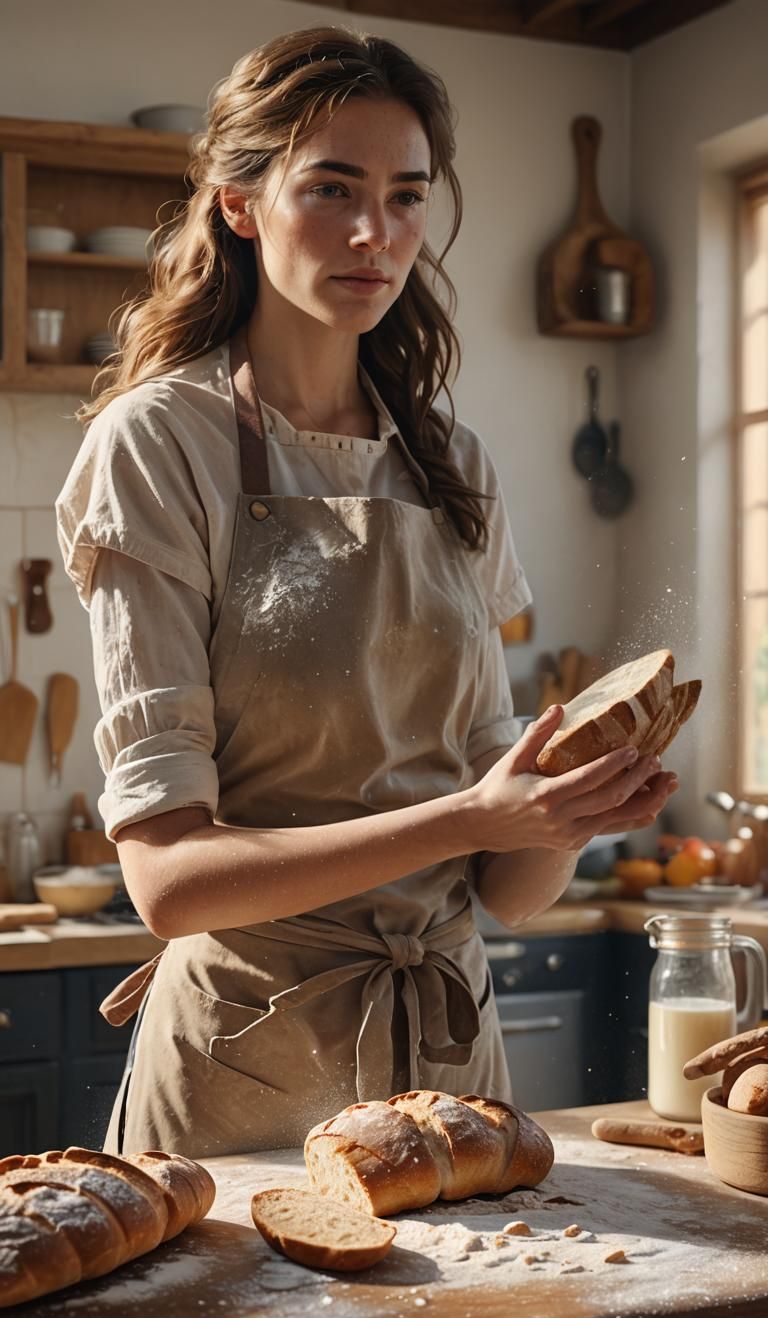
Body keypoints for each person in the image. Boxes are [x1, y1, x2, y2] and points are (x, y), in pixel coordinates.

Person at [55, 26, 677, 1159]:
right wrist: (473, 814)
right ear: (240, 203)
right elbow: (170, 883)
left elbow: (508, 890)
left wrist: (567, 814)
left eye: (404, 197)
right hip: (248, 1067)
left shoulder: (448, 460)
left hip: (447, 1076)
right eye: (330, 188)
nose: (373, 234)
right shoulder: (160, 443)